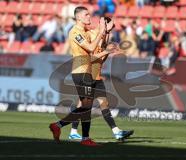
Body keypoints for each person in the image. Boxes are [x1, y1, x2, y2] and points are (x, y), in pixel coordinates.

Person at [49, 6, 111, 146]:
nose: (89, 17)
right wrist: (101, 31)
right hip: (81, 71)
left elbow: (98, 46)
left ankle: (59, 126)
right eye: (86, 15)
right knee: (86, 106)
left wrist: (106, 31)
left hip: (86, 71)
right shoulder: (75, 32)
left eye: (89, 14)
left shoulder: (86, 32)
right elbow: (90, 48)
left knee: (86, 106)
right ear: (78, 17)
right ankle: (83, 138)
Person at [68, 17, 134, 141]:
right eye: (110, 26)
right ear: (103, 23)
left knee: (102, 103)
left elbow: (101, 59)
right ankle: (68, 129)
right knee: (84, 104)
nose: (112, 28)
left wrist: (107, 50)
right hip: (87, 73)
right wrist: (106, 51)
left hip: (96, 74)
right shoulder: (92, 35)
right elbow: (90, 57)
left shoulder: (105, 37)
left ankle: (116, 132)